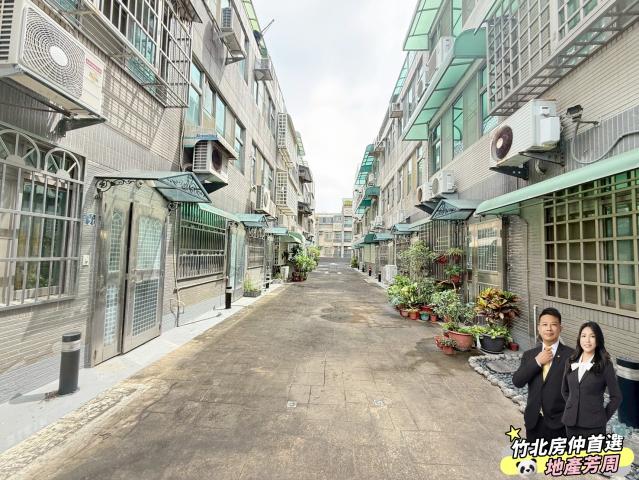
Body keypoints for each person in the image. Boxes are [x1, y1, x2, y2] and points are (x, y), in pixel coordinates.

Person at [513, 307, 574, 441]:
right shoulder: (529, 355)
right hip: (534, 423)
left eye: (553, 324)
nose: (549, 329)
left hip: (561, 425)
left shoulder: (572, 356)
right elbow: (517, 381)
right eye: (545, 325)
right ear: (539, 328)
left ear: (560, 328)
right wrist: (537, 362)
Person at [562, 321, 622, 438]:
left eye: (592, 336)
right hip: (571, 424)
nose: (587, 340)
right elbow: (564, 390)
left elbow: (616, 397)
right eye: (583, 336)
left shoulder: (605, 365)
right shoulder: (571, 361)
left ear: (598, 339)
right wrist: (572, 407)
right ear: (579, 338)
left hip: (594, 426)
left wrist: (603, 417)